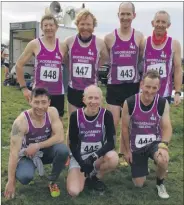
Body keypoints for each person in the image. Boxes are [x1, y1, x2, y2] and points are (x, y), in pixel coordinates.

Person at [4, 88, 69, 199]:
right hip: (27, 155)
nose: (40, 106)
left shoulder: (52, 112)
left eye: (44, 102)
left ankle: (52, 181)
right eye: (36, 102)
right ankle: (19, 173)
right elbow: (13, 153)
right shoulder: (20, 122)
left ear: (49, 102)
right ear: (30, 101)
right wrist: (10, 181)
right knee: (25, 177)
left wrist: (37, 145)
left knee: (63, 150)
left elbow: (60, 137)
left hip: (45, 150)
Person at [121, 70, 172, 199]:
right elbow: (125, 128)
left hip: (155, 143)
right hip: (137, 146)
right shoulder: (130, 102)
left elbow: (167, 127)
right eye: (148, 87)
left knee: (163, 159)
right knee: (139, 184)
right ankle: (143, 166)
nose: (150, 91)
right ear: (142, 84)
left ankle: (160, 183)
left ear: (159, 87)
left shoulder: (162, 103)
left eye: (154, 87)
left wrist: (163, 146)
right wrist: (127, 151)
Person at [104, 2, 144, 165]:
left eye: (128, 14)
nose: (125, 17)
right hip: (114, 85)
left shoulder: (139, 36)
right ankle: (110, 152)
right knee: (113, 122)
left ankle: (124, 152)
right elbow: (106, 59)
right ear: (118, 15)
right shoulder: (109, 37)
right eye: (123, 14)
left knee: (128, 122)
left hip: (132, 85)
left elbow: (140, 59)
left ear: (134, 15)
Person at [64, 9, 109, 142]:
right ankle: (69, 154)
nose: (85, 27)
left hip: (91, 92)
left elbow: (105, 57)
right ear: (77, 25)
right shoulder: (69, 41)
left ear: (93, 26)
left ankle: (91, 150)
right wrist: (70, 66)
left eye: (88, 24)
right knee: (73, 124)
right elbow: (64, 58)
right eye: (82, 24)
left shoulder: (99, 43)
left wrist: (96, 66)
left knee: (92, 124)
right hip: (74, 90)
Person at [67, 85, 119, 197]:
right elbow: (73, 144)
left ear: (101, 99)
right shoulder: (75, 116)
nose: (93, 101)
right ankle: (84, 174)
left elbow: (111, 142)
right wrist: (82, 163)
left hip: (97, 157)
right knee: (74, 192)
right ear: (84, 100)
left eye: (96, 98)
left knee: (113, 158)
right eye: (90, 98)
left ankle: (95, 176)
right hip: (79, 158)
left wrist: (93, 157)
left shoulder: (106, 115)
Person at [16, 14, 67, 118]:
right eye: (46, 25)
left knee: (57, 122)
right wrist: (24, 88)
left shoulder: (62, 46)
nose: (48, 28)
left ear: (56, 27)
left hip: (57, 93)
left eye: (51, 25)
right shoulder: (35, 44)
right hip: (39, 92)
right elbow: (19, 65)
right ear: (42, 28)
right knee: (38, 122)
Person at [141, 10, 182, 105]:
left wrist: (177, 92)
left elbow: (178, 69)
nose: (160, 24)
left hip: (164, 94)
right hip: (145, 93)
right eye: (158, 21)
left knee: (162, 120)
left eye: (163, 22)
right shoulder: (144, 43)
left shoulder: (174, 44)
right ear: (153, 23)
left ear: (168, 25)